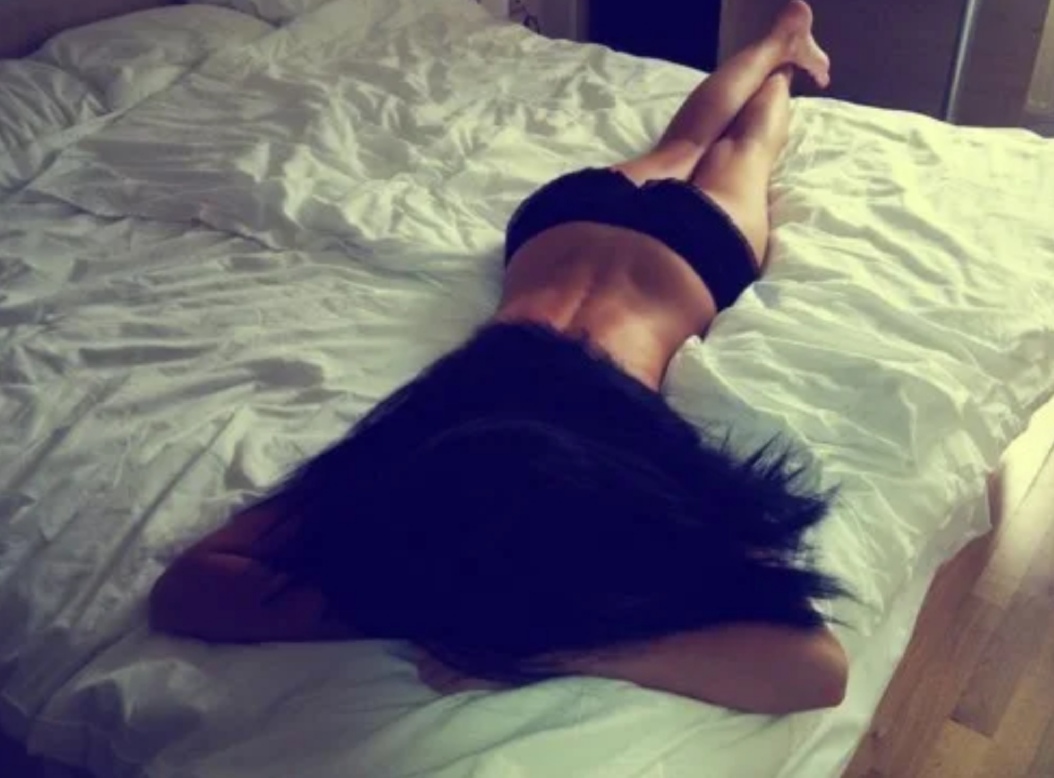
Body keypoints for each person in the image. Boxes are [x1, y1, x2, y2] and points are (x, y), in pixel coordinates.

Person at [149, 0, 854, 715]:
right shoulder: (445, 441)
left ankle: (781, 54)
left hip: (604, 231)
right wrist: (453, 623)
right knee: (728, 150)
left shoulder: (468, 446)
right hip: (605, 236)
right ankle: (781, 48)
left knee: (711, 147)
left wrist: (543, 650)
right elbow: (186, 589)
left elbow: (817, 671)